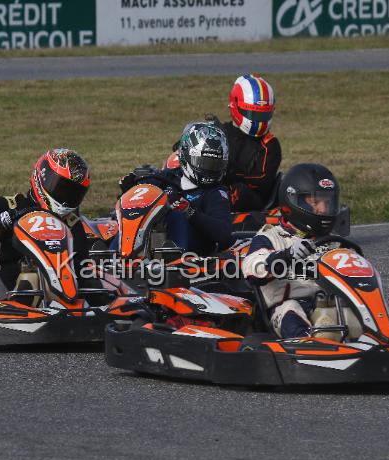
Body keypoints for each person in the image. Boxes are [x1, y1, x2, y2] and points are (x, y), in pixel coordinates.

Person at [242, 163, 345, 339]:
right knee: (291, 310)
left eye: (327, 202)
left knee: (362, 310)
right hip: (286, 309)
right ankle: (313, 343)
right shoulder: (271, 237)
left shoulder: (333, 243)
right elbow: (252, 267)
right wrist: (287, 256)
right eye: (315, 202)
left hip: (329, 305)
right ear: (293, 201)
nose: (323, 209)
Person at [0, 148, 92, 294]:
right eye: (62, 189)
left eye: (73, 193)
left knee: (92, 276)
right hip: (8, 279)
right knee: (31, 278)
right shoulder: (11, 205)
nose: (66, 197)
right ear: (42, 177)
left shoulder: (72, 222)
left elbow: (82, 261)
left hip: (59, 281)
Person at [120, 121, 233, 256]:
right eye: (204, 163)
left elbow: (224, 234)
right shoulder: (166, 178)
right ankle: (116, 254)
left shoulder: (216, 193)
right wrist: (130, 190)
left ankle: (172, 253)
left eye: (215, 165)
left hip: (191, 259)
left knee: (177, 215)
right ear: (186, 155)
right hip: (147, 251)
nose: (210, 170)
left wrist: (189, 211)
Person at [220, 74, 282, 212]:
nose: (257, 120)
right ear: (235, 105)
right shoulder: (218, 133)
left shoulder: (269, 144)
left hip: (251, 206)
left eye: (262, 115)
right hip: (213, 188)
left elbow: (262, 182)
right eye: (253, 114)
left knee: (238, 191)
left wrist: (229, 173)